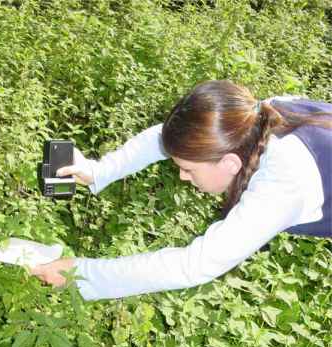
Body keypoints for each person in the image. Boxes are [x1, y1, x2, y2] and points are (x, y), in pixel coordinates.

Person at [30, 80, 332, 301]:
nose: (183, 177)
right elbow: (170, 138)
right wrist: (99, 170)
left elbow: (194, 265)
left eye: (189, 169)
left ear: (229, 163)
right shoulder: (255, 117)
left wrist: (79, 273)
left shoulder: (285, 182)